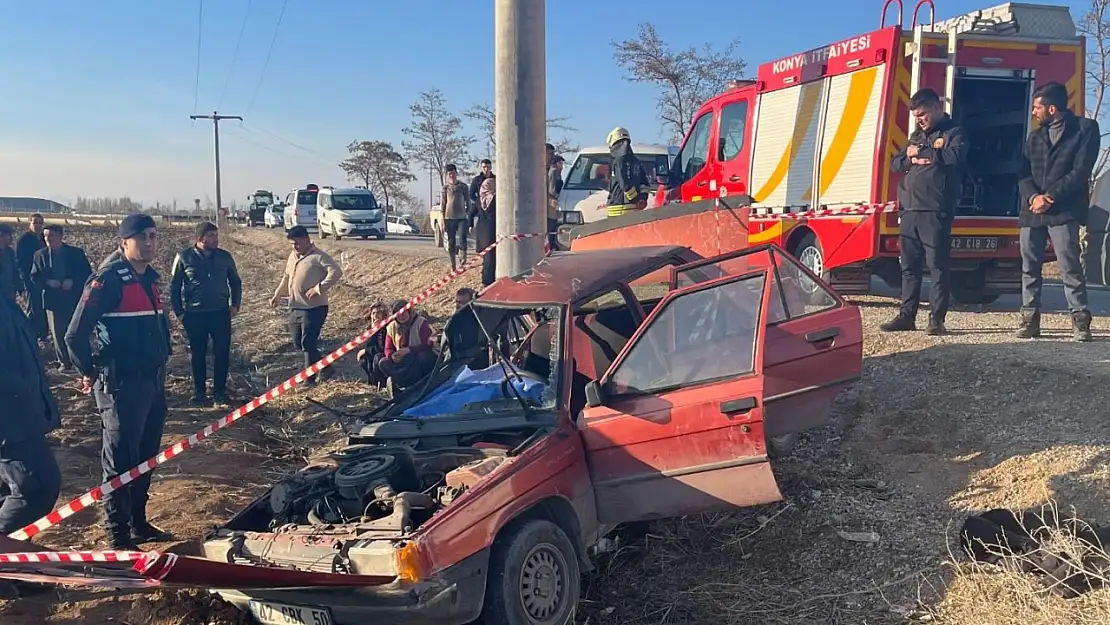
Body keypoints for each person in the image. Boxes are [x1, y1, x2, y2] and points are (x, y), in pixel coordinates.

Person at [65, 214, 173, 550]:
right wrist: (89, 371)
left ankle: (138, 523)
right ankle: (118, 534)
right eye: (143, 237)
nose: (150, 242)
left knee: (145, 457)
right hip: (122, 385)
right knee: (120, 460)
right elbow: (74, 335)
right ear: (124, 242)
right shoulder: (107, 281)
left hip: (152, 382)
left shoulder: (150, 280)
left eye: (154, 236)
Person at [1015, 81, 1100, 341]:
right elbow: (1023, 171)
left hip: (1064, 210)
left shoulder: (1085, 129)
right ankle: (1030, 319)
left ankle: (1080, 320)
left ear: (1052, 108)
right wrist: (1033, 196)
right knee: (1029, 266)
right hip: (1032, 210)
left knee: (1069, 265)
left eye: (1036, 108)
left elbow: (1081, 170)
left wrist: (1049, 196)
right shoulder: (1034, 136)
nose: (1033, 113)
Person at [880, 88, 967, 336]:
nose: (920, 119)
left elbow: (955, 157)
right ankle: (907, 316)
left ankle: (936, 319)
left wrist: (926, 153)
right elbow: (896, 162)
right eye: (916, 116)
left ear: (937, 108)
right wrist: (910, 159)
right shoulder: (916, 135)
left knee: (937, 266)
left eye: (924, 114)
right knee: (909, 267)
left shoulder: (954, 132)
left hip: (935, 209)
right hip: (910, 209)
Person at [0, 291, 61, 539]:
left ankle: (9, 572)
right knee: (35, 489)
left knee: (8, 491)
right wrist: (19, 390)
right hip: (10, 420)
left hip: (21, 412)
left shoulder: (6, 297)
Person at [170, 222, 243, 405]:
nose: (215, 239)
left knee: (222, 353)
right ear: (200, 238)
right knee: (198, 354)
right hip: (195, 315)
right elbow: (174, 288)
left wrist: (235, 304)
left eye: (216, 235)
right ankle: (199, 392)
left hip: (220, 313)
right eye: (211, 236)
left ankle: (220, 391)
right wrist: (179, 313)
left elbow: (235, 282)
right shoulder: (183, 257)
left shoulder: (225, 257)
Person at [269, 226, 343, 384]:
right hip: (295, 306)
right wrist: (278, 294)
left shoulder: (319, 257)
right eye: (291, 244)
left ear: (306, 239)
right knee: (298, 343)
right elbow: (287, 276)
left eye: (297, 243)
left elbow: (336, 272)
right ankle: (325, 366)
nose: (294, 247)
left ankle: (309, 379)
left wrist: (319, 288)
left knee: (308, 342)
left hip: (315, 308)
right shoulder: (292, 256)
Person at [30, 225, 93, 372]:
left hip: (73, 299)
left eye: (51, 235)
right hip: (53, 301)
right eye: (45, 236)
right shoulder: (40, 255)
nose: (48, 239)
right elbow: (34, 276)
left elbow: (87, 273)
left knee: (76, 332)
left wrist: (73, 281)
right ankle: (65, 362)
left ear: (61, 236)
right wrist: (47, 282)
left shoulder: (75, 253)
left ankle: (81, 363)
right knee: (58, 334)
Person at [377, 299, 437, 391]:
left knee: (424, 357)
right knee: (383, 362)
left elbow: (428, 345)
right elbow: (387, 348)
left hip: (416, 359)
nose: (401, 316)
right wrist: (392, 355)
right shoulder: (392, 326)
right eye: (398, 314)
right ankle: (401, 385)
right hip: (402, 361)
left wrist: (409, 350)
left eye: (404, 313)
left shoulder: (421, 323)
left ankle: (423, 382)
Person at [604, 127, 650, 218]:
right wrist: (642, 198)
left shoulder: (619, 161)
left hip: (617, 211)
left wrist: (635, 199)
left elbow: (624, 184)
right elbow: (645, 183)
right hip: (634, 209)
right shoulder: (636, 161)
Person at [15, 213, 47, 339]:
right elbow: (20, 263)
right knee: (33, 310)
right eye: (35, 223)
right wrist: (25, 282)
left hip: (44, 280)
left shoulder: (45, 238)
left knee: (43, 310)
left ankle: (43, 336)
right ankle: (30, 337)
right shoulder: (23, 240)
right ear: (30, 224)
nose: (38, 225)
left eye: (40, 223)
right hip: (31, 281)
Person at [442, 163, 472, 271]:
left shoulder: (463, 186)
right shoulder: (445, 188)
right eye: (449, 174)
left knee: (463, 239)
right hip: (449, 218)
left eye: (453, 173)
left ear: (456, 173)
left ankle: (463, 261)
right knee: (451, 242)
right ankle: (452, 264)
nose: (451, 175)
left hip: (462, 218)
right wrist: (443, 221)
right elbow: (443, 204)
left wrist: (469, 213)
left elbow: (468, 201)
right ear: (447, 175)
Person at [356, 302, 390, 388]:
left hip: (384, 355)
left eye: (378, 313)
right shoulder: (369, 330)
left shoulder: (386, 328)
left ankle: (382, 384)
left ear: (383, 315)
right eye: (373, 313)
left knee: (377, 358)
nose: (375, 316)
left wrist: (365, 351)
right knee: (364, 360)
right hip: (372, 356)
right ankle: (373, 383)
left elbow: (382, 347)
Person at [476, 174, 498, 286]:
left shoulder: (479, 198)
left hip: (481, 229)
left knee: (487, 257)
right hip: (489, 229)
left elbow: (472, 212)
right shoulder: (496, 198)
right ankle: (488, 281)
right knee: (490, 257)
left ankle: (486, 280)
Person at [548, 155, 565, 251]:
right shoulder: (554, 172)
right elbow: (552, 189)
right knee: (551, 226)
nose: (562, 166)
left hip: (553, 202)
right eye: (560, 163)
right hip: (553, 204)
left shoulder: (556, 172)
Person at [469, 159, 493, 228]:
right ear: (481, 168)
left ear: (491, 167)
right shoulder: (477, 180)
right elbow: (471, 194)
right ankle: (471, 227)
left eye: (488, 167)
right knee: (471, 214)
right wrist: (479, 202)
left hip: (493, 204)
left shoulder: (495, 179)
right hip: (482, 204)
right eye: (484, 167)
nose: (486, 169)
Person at [0, 224, 19, 302]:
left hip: (9, 291)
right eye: (8, 235)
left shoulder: (10, 251)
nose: (11, 238)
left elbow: (14, 270)